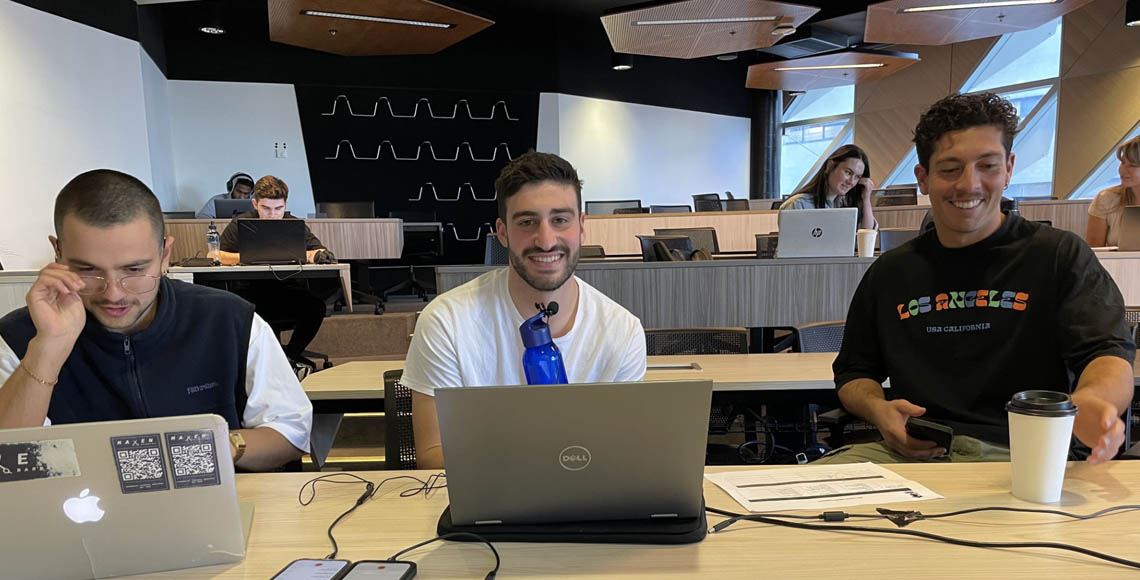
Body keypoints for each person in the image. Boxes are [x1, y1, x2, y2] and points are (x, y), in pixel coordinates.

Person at [819, 92, 1135, 465]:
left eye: (987, 165)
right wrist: (878, 410)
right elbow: (855, 372)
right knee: (780, 512)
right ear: (923, 178)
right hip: (914, 453)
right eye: (950, 169)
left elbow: (1107, 353)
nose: (969, 185)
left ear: (1009, 168)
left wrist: (1094, 401)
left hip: (1030, 455)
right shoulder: (891, 273)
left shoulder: (1058, 256)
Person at [0, 169, 312, 471]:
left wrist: (218, 447)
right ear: (58, 253)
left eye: (134, 270)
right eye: (87, 270)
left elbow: (291, 432)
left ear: (165, 256)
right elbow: (8, 461)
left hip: (209, 508)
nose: (113, 294)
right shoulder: (20, 337)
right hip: (72, 516)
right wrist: (47, 349)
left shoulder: (229, 320)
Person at [401, 151, 648, 468]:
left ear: (581, 227)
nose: (545, 241)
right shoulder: (446, 322)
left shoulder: (621, 331)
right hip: (485, 504)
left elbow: (623, 455)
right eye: (527, 222)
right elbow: (432, 455)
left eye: (560, 220)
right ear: (502, 232)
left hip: (586, 504)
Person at [218, 175, 333, 365]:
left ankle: (291, 356)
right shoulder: (240, 223)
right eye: (266, 208)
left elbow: (317, 249)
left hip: (287, 290)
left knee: (316, 307)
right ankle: (256, 363)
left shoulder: (293, 224)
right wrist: (249, 258)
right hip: (249, 292)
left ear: (285, 204)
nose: (273, 215)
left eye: (278, 208)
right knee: (235, 310)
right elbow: (218, 255)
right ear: (255, 204)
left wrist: (318, 254)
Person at [780, 144, 877, 230]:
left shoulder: (845, 206)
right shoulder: (798, 205)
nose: (851, 182)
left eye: (857, 177)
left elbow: (867, 236)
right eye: (848, 172)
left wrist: (866, 199)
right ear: (830, 166)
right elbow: (789, 247)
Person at [1085, 135, 1140, 247]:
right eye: (1123, 163)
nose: (1122, 170)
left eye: (1132, 165)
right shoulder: (1106, 199)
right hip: (1119, 265)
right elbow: (1093, 253)